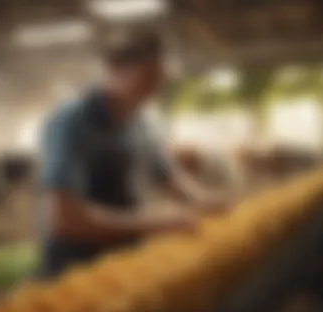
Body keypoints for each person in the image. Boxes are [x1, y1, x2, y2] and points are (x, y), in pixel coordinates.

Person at [37, 30, 232, 279]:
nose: (153, 91)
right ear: (114, 68)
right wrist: (155, 224)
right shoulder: (72, 122)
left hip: (121, 259)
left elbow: (167, 175)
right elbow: (65, 219)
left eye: (158, 80)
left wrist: (204, 199)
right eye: (147, 79)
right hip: (76, 269)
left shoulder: (141, 121)